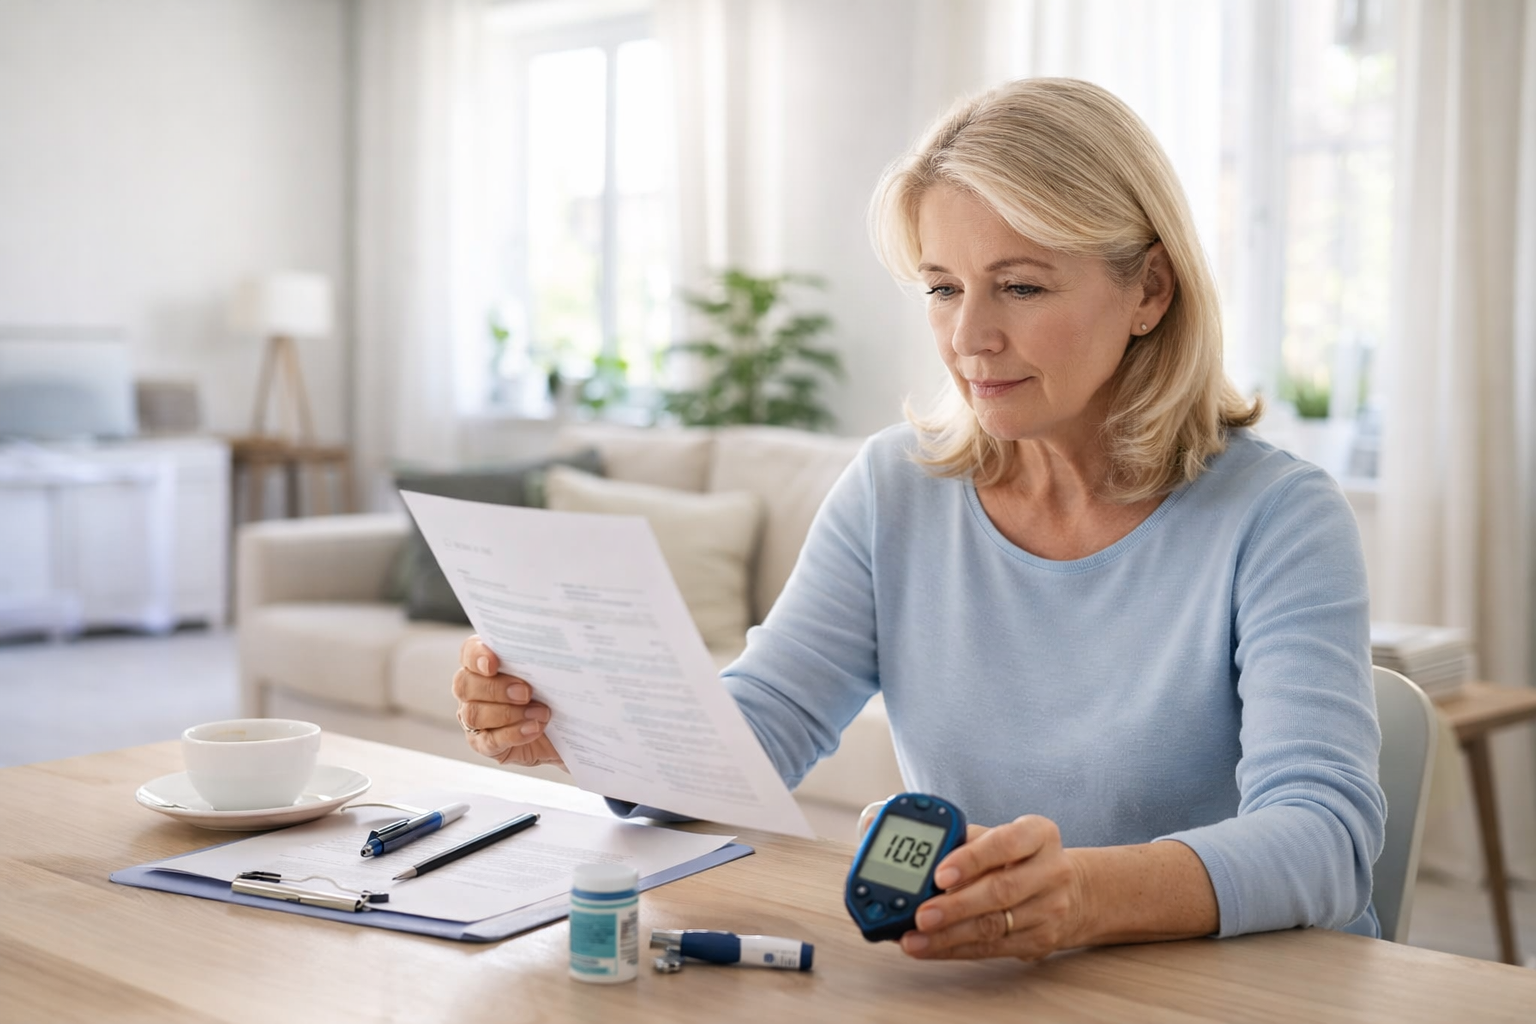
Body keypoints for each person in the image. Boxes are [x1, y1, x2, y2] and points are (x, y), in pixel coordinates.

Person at [449, 77, 1385, 962]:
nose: (969, 337)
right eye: (944, 287)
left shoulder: (1278, 517)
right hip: (993, 982)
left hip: (1235, 992)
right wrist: (584, 719)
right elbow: (768, 718)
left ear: (1149, 289)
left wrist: (1081, 899)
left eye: (1020, 286)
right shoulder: (895, 487)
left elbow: (1325, 838)